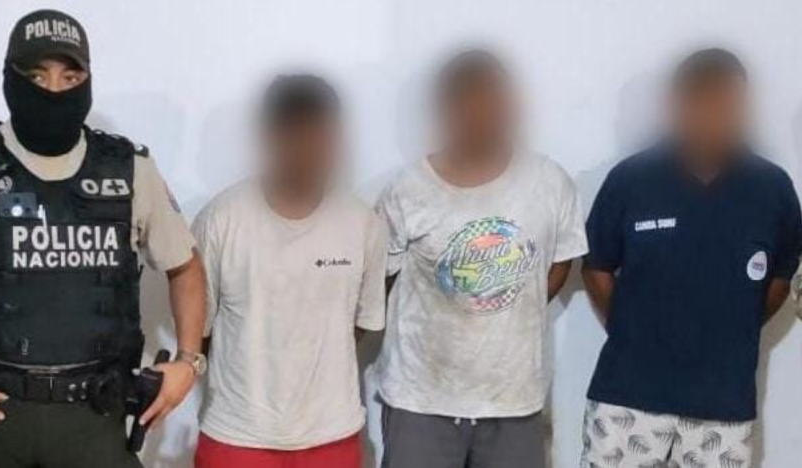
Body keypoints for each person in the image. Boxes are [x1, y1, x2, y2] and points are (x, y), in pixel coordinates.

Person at [0, 10, 207, 468]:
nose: (53, 90)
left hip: (94, 421)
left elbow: (186, 267)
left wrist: (188, 362)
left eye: (70, 76)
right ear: (9, 78)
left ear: (87, 80)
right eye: (36, 76)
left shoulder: (129, 169)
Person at [581, 49, 802, 468]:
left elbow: (781, 277)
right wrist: (630, 328)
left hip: (724, 407)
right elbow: (596, 267)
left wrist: (734, 327)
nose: (715, 119)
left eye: (728, 107)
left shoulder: (772, 190)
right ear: (678, 105)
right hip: (627, 398)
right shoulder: (631, 180)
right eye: (703, 105)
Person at [374, 49, 589, 468]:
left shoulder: (549, 183)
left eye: (490, 100)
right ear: (446, 109)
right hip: (421, 401)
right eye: (466, 102)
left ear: (508, 104)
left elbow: (558, 263)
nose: (479, 115)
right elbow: (381, 280)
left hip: (513, 402)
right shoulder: (407, 190)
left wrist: (499, 295)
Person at [192, 75, 387, 468]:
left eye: (321, 136)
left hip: (331, 435)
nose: (309, 150)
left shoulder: (364, 224)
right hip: (237, 436)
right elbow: (199, 329)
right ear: (270, 137)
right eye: (295, 135)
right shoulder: (220, 220)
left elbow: (360, 324)